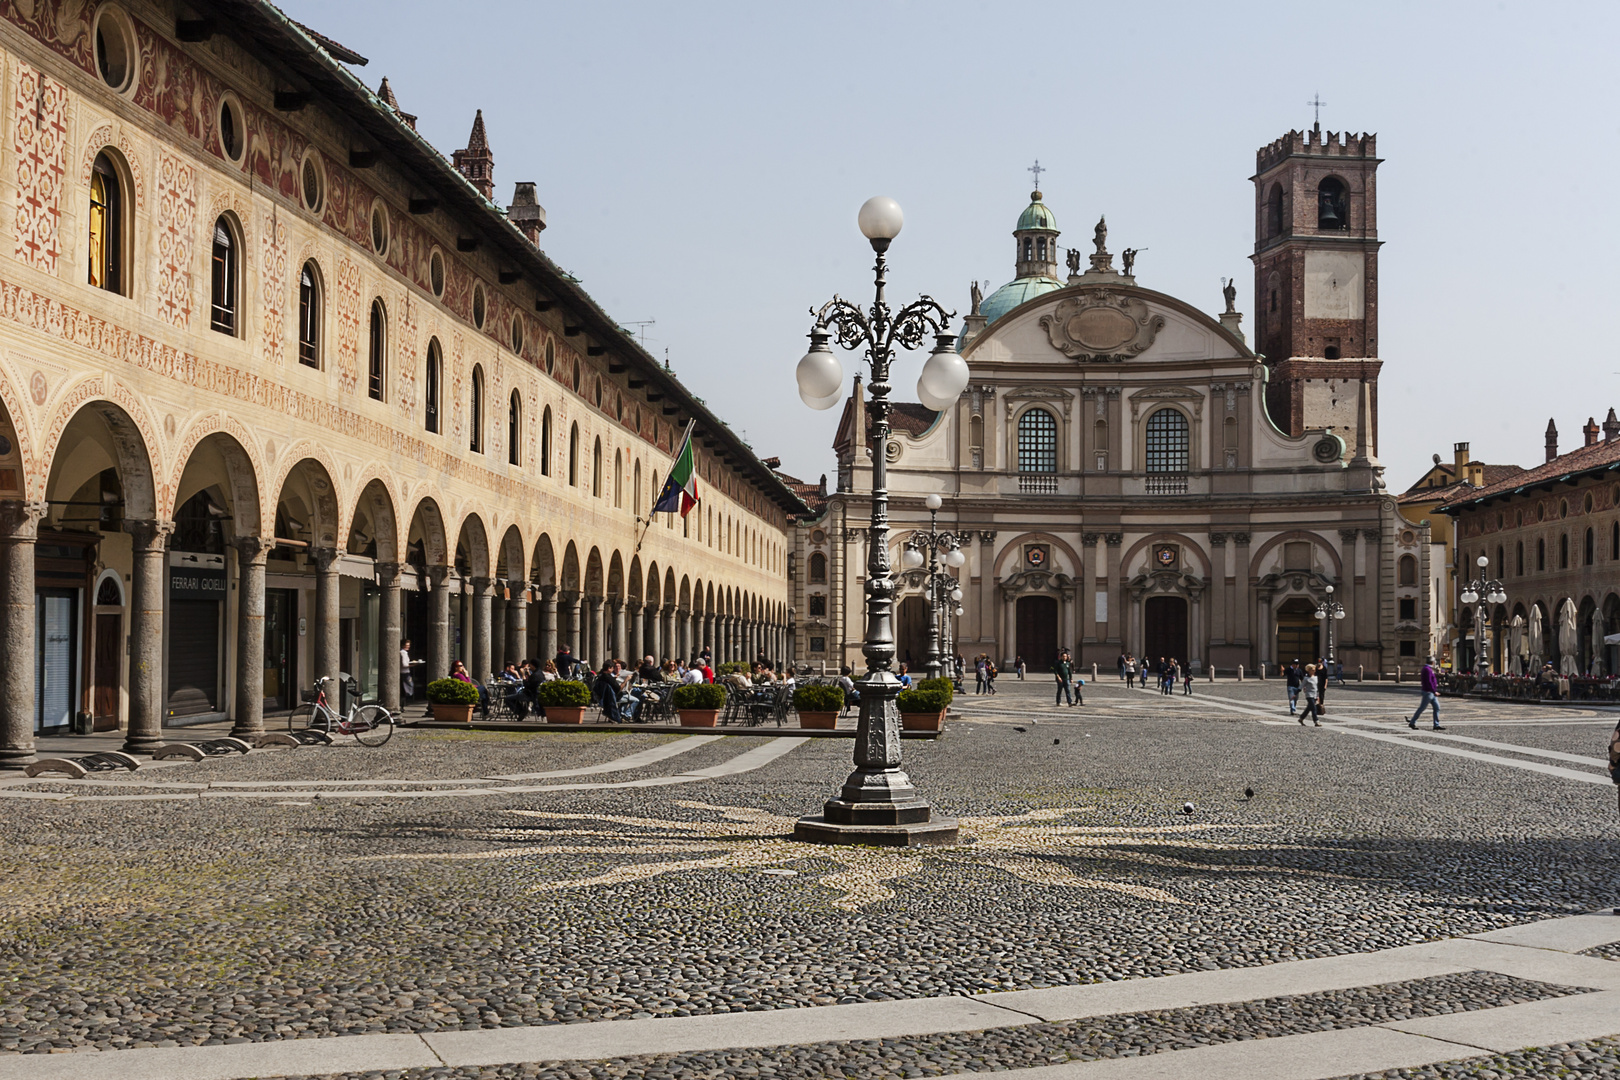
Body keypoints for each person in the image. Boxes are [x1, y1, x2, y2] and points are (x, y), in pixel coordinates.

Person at [1409, 657, 1443, 730]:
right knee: (1422, 708)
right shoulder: (1427, 669)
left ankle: (1436, 725)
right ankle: (1412, 722)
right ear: (1432, 662)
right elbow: (1429, 682)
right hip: (1428, 692)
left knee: (1437, 707)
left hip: (1431, 692)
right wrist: (1434, 691)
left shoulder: (1428, 669)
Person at [399, 639, 415, 703]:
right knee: (408, 686)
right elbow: (404, 664)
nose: (408, 646)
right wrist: (413, 665)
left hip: (404, 672)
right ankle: (404, 701)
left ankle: (403, 702)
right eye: (407, 645)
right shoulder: (403, 653)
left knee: (405, 687)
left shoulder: (403, 652)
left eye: (409, 645)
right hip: (405, 672)